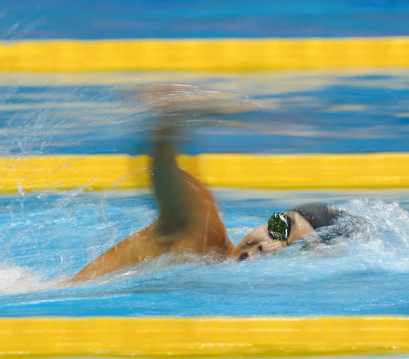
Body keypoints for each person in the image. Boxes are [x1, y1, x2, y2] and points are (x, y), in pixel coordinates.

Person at [70, 87, 351, 283]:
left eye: (292, 246)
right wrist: (169, 123)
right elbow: (166, 175)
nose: (270, 244)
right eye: (279, 226)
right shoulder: (205, 239)